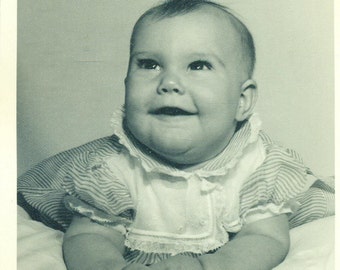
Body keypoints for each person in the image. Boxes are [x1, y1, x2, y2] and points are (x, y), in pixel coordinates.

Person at [17, 0, 334, 269]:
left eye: (197, 65)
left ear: (242, 101)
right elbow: (90, 236)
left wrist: (213, 265)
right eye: (149, 64)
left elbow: (265, 237)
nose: (169, 82)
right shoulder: (108, 169)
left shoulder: (258, 167)